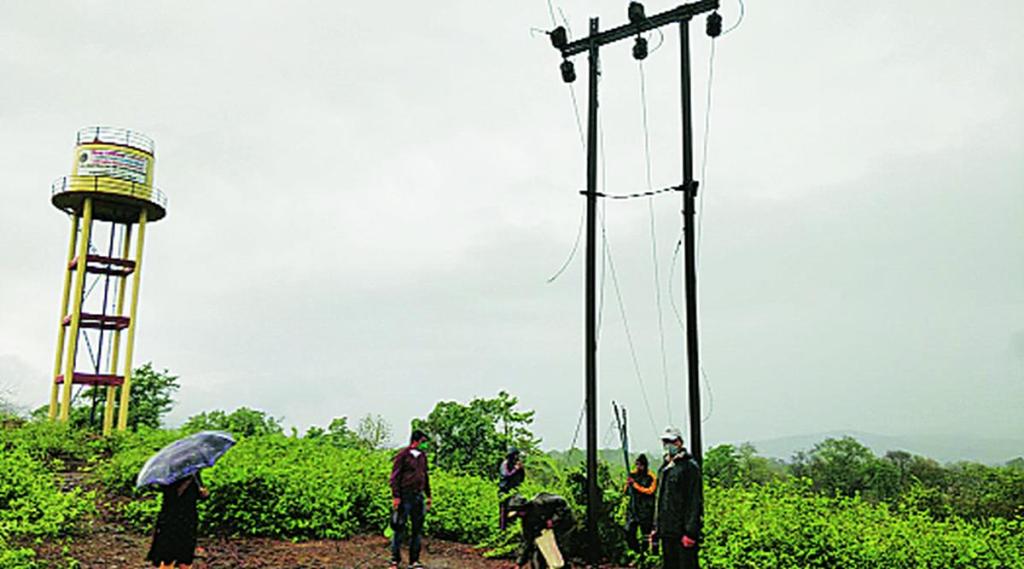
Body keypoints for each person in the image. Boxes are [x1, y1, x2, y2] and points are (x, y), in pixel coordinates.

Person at [652, 427, 703, 569]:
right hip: (667, 531)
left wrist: (690, 532)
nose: (668, 444)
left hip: (682, 532)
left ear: (679, 442)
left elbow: (694, 501)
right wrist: (656, 527)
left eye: (671, 441)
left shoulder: (689, 467)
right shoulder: (665, 467)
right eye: (665, 441)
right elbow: (660, 499)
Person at [146, 472, 209, 569]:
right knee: (173, 552)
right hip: (179, 516)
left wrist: (203, 494)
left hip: (177, 516)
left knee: (179, 551)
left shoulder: (190, 473)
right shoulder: (190, 473)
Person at [390, 429, 432, 569]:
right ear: (417, 440)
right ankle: (395, 560)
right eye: (423, 442)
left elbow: (425, 476)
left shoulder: (423, 457)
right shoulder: (403, 455)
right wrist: (396, 496)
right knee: (399, 528)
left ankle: (414, 561)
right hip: (404, 495)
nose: (425, 445)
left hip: (418, 496)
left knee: (417, 529)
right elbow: (395, 477)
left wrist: (428, 495)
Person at [506, 493, 573, 569]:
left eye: (519, 512)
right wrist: (519, 563)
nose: (519, 516)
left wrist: (554, 519)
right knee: (537, 556)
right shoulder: (527, 523)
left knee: (561, 552)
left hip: (563, 525)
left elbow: (562, 502)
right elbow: (527, 541)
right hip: (546, 533)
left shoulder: (541, 502)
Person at [624, 453, 657, 553]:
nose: (639, 467)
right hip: (634, 508)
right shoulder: (633, 475)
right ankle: (635, 551)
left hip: (646, 509)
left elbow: (650, 491)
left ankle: (645, 553)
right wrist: (628, 484)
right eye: (637, 464)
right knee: (629, 531)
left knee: (645, 534)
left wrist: (636, 486)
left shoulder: (651, 477)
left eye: (641, 465)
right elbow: (626, 492)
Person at [498, 447, 526, 530]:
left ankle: (513, 529)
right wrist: (515, 469)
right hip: (504, 491)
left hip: (515, 491)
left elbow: (522, 478)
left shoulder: (517, 465)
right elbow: (506, 474)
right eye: (515, 456)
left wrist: (521, 469)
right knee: (503, 514)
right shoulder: (505, 464)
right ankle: (502, 531)